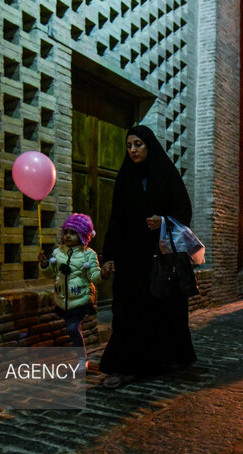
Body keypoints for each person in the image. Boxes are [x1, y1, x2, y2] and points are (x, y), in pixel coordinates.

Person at [98, 125, 196, 388]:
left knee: (158, 309)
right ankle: (126, 364)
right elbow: (116, 219)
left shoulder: (165, 174)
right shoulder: (125, 176)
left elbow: (184, 211)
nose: (132, 150)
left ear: (149, 145)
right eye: (129, 146)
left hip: (159, 257)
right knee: (127, 310)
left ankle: (153, 360)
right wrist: (109, 255)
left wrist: (162, 220)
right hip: (131, 258)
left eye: (138, 144)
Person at [38, 213, 102, 372]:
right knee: (72, 329)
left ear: (82, 235)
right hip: (63, 299)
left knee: (73, 327)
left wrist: (103, 274)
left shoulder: (88, 254)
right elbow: (52, 274)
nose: (67, 236)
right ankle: (82, 355)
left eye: (72, 233)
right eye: (66, 232)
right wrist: (45, 265)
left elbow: (93, 275)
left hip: (81, 298)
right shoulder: (57, 253)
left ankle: (82, 359)